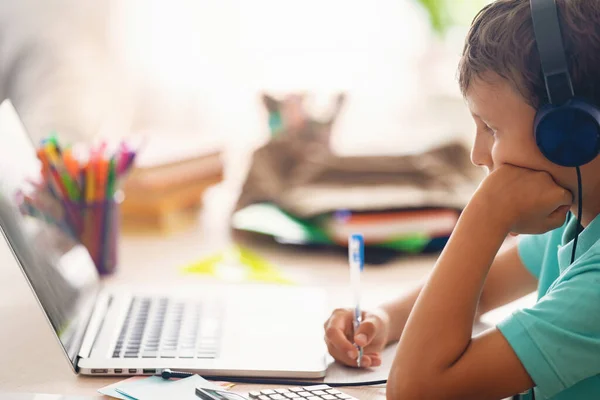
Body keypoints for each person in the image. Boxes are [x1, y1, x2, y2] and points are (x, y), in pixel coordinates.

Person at [323, 1, 600, 399]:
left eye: (491, 128)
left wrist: (486, 214)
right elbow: (480, 291)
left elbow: (416, 390)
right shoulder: (578, 222)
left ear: (570, 131)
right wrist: (386, 317)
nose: (477, 154)